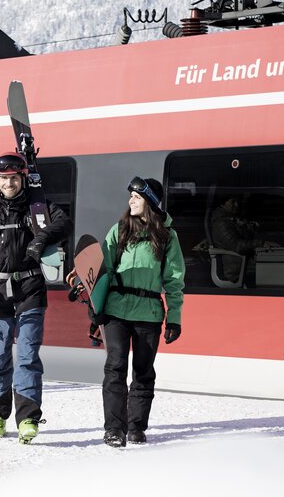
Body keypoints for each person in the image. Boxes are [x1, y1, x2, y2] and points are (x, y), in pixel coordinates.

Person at [0, 152, 71, 443]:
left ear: (23, 179)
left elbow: (65, 222)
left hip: (30, 290)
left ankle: (28, 418)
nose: (9, 183)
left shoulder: (36, 208)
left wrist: (42, 238)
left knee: (28, 356)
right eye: (4, 178)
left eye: (14, 178)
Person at [95, 177, 185, 448]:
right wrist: (96, 308)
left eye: (136, 196)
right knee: (115, 367)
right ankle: (114, 429)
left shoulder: (167, 236)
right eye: (130, 196)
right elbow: (104, 272)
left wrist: (175, 318)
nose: (130, 201)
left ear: (151, 202)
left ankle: (136, 427)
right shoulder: (119, 230)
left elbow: (174, 279)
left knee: (143, 371)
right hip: (117, 311)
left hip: (149, 313)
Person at [208, 193, 276, 283]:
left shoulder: (233, 219)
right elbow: (237, 245)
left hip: (244, 263)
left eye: (238, 201)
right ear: (222, 203)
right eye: (233, 202)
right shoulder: (221, 223)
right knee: (274, 272)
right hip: (238, 268)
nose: (237, 205)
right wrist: (261, 243)